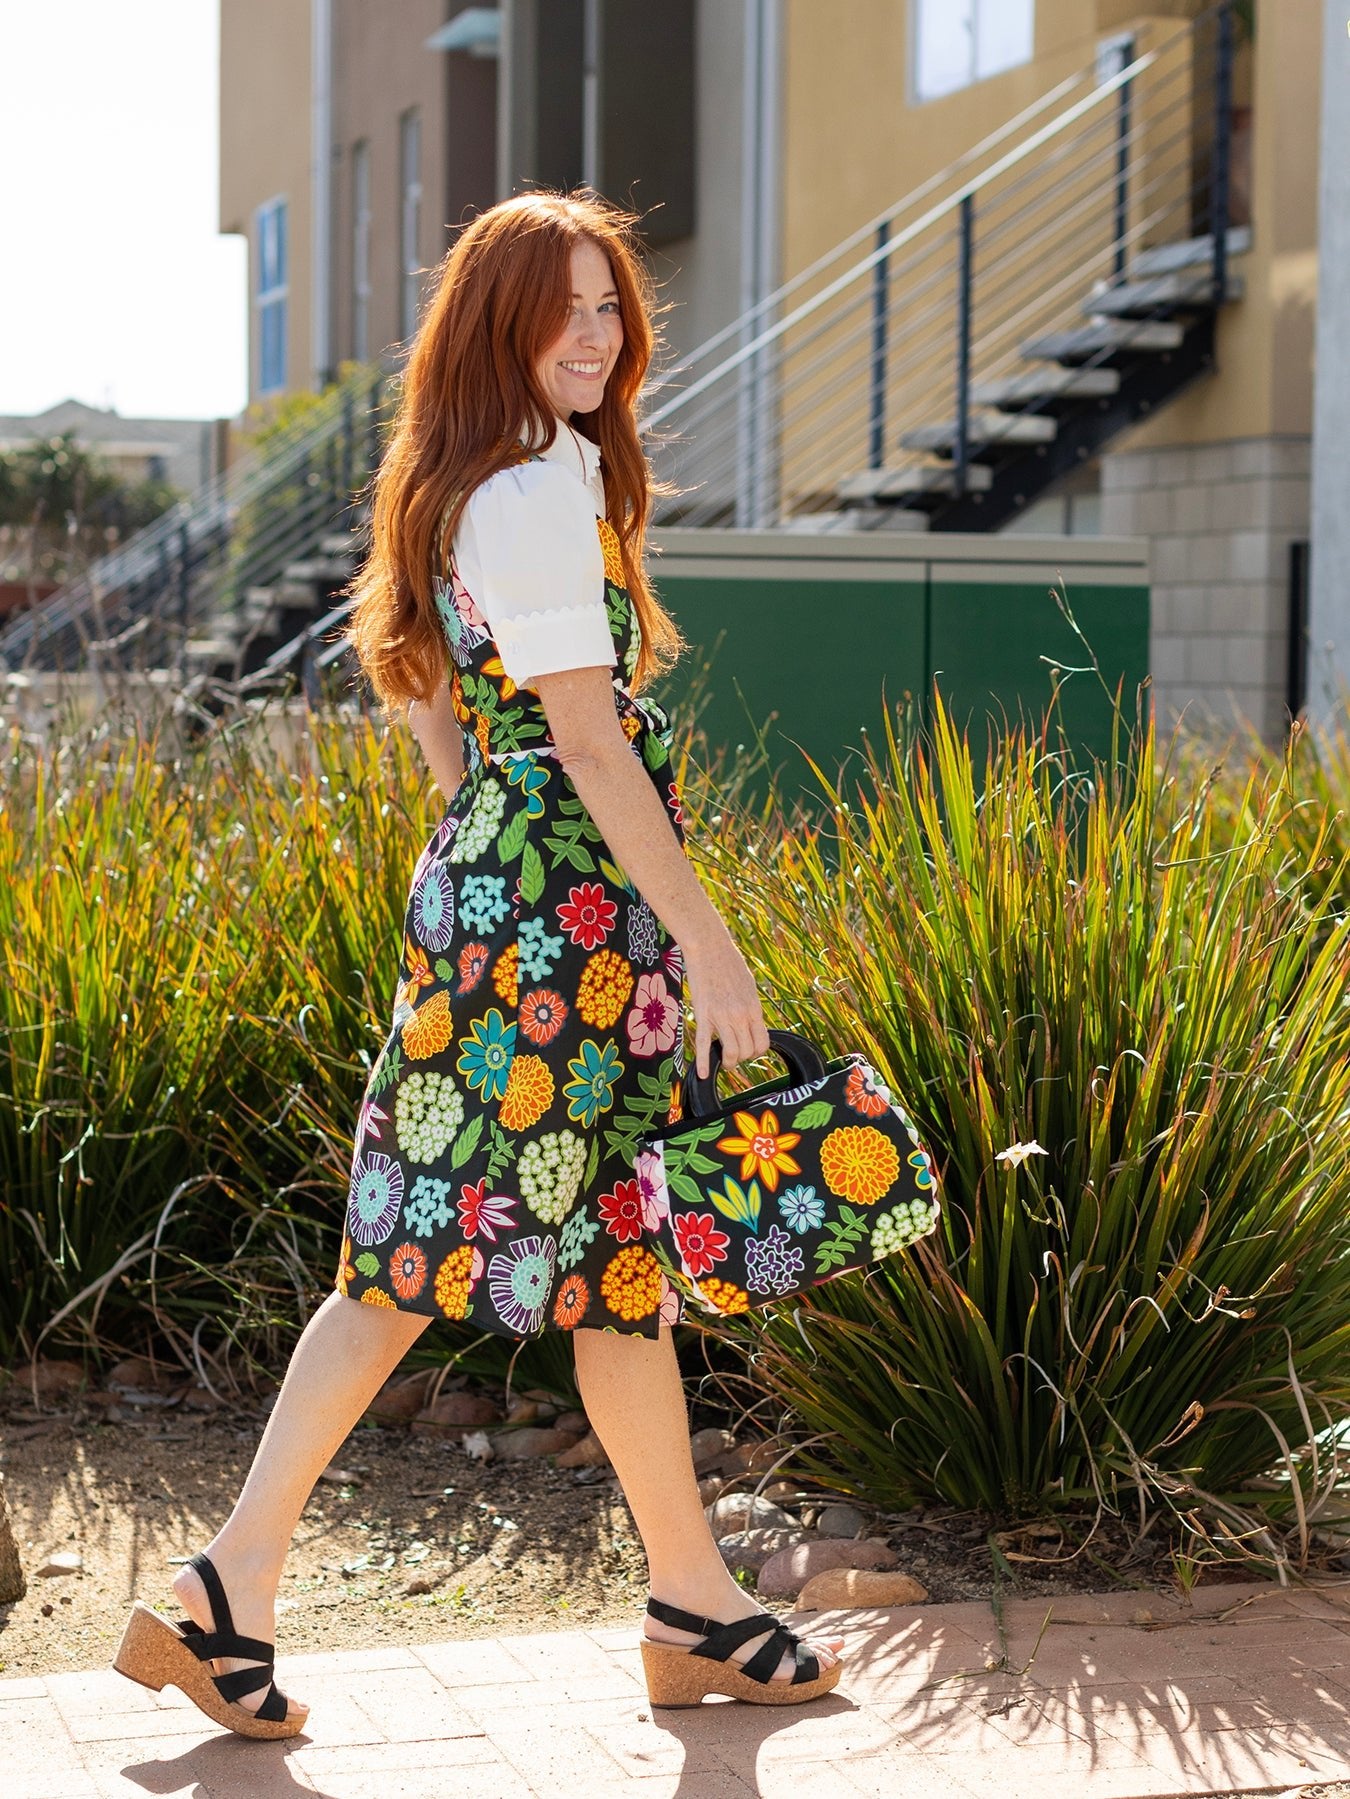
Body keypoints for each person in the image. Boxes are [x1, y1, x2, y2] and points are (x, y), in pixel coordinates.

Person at [111, 191, 853, 1735]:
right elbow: (584, 739)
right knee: (412, 1259)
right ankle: (225, 1587)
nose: (598, 333)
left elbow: (421, 686)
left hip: (536, 913)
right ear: (496, 326)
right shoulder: (521, 490)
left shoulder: (503, 475)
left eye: (610, 303)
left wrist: (477, 816)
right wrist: (708, 947)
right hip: (555, 930)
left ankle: (691, 1603)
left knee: (609, 1267)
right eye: (563, 308)